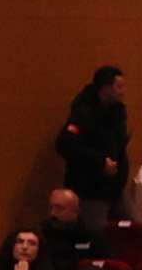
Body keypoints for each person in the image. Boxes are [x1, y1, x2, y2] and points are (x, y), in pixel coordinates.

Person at [53, 66, 127, 204]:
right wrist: (100, 162)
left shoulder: (116, 114)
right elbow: (64, 144)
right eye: (119, 87)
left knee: (135, 224)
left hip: (114, 188)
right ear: (106, 89)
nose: (122, 92)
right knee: (96, 225)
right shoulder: (84, 113)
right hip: (89, 189)